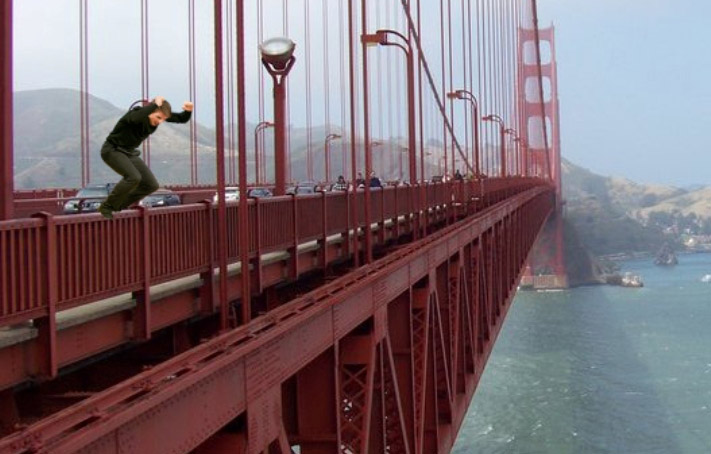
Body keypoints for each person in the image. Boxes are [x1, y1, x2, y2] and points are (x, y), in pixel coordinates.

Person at [98, 96, 193, 219]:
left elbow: (180, 118)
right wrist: (153, 105)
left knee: (151, 185)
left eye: (163, 119)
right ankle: (107, 206)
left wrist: (188, 111)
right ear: (149, 111)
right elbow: (136, 118)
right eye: (158, 117)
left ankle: (119, 206)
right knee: (133, 177)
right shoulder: (135, 115)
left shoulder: (156, 116)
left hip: (129, 153)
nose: (159, 122)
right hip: (112, 150)